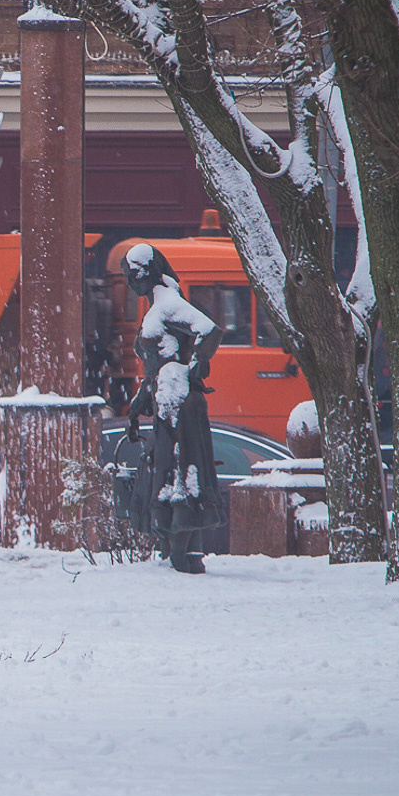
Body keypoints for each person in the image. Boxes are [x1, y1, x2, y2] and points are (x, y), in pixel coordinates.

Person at [122, 243, 223, 574]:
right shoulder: (158, 308)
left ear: (149, 271)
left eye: (134, 275)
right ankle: (178, 552)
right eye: (127, 276)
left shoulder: (168, 305)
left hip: (178, 403)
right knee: (166, 470)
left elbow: (208, 330)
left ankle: (182, 550)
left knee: (181, 470)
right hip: (165, 402)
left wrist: (193, 368)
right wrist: (137, 407)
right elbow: (155, 368)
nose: (130, 282)